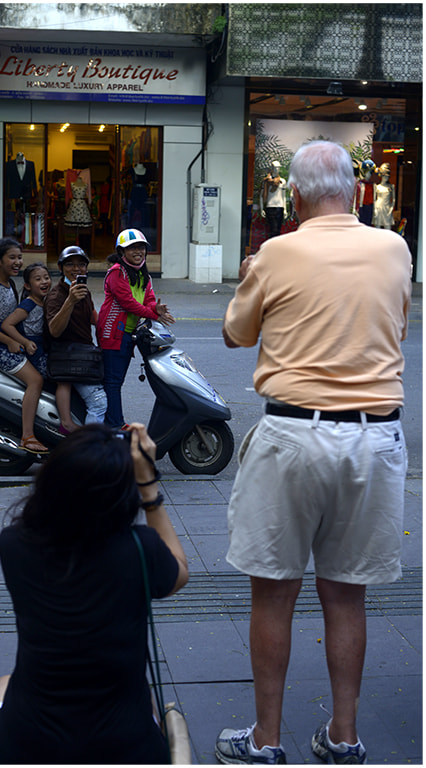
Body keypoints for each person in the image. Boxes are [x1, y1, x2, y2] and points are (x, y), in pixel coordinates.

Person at [216, 141, 411, 765]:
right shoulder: (395, 249)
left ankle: (267, 740)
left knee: (274, 592)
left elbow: (234, 334)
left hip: (293, 438)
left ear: (294, 198)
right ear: (355, 191)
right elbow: (394, 327)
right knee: (347, 594)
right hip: (374, 439)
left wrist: (254, 276)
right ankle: (344, 737)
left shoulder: (276, 252)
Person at [0, 422, 189, 764]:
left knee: (4, 683)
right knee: (143, 697)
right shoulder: (140, 549)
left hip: (25, 746)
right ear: (120, 496)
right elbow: (180, 572)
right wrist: (148, 487)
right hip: (125, 748)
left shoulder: (13, 545)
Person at [0, 238, 49, 454]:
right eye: (12, 257)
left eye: (19, 257)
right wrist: (9, 341)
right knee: (35, 380)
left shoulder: (10, 283)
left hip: (9, 342)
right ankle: (28, 436)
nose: (18, 262)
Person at [96, 229, 175, 429]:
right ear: (122, 251)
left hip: (129, 333)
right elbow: (128, 303)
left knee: (116, 381)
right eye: (133, 248)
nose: (138, 251)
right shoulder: (117, 272)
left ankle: (111, 421)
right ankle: (114, 424)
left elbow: (148, 300)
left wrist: (154, 309)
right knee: (113, 381)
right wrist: (154, 314)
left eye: (141, 247)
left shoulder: (143, 274)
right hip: (112, 332)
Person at [44, 245, 107, 432]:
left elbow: (93, 317)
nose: (76, 269)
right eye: (70, 264)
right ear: (61, 267)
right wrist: (70, 301)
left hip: (83, 354)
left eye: (81, 264)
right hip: (68, 357)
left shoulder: (83, 290)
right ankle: (88, 448)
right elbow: (54, 330)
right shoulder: (57, 295)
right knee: (99, 402)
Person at [1, 262, 52, 378]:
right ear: (28, 286)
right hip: (33, 351)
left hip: (42, 347)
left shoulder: (44, 302)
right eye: (38, 279)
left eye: (46, 278)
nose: (44, 281)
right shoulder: (29, 304)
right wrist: (25, 342)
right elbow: (7, 325)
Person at [259, 160, 287, 238]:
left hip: (280, 207)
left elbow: (283, 196)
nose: (277, 169)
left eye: (278, 168)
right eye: (275, 167)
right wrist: (262, 209)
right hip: (270, 207)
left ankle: (276, 248)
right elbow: (261, 196)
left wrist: (285, 209)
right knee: (272, 230)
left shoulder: (282, 181)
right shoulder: (266, 181)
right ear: (271, 168)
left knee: (277, 230)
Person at [373, 163, 395, 230]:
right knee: (377, 227)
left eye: (387, 176)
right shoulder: (377, 187)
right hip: (379, 207)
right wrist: (375, 209)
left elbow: (394, 199)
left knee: (388, 227)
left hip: (387, 208)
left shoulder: (391, 186)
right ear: (381, 176)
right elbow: (374, 199)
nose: (386, 178)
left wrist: (391, 209)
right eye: (385, 176)